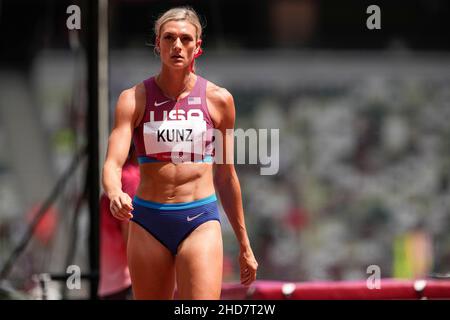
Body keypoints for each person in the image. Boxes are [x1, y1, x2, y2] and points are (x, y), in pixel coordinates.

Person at [102, 6, 258, 300]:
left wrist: (244, 245)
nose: (177, 46)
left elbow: (226, 177)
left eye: (186, 39)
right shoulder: (133, 99)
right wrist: (114, 193)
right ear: (157, 43)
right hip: (148, 221)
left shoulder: (219, 100)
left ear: (197, 47)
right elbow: (112, 163)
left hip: (200, 219)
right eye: (169, 38)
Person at [98, 146, 139, 299]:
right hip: (125, 280)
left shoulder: (125, 175)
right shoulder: (131, 177)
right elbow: (129, 229)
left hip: (115, 279)